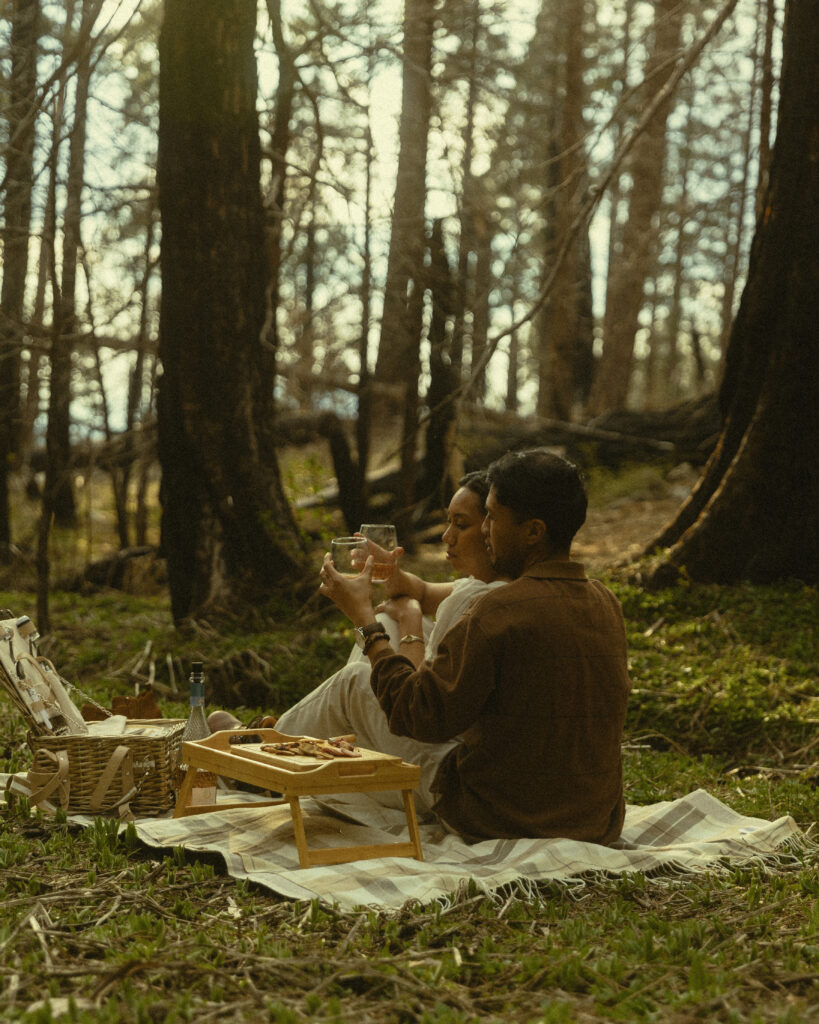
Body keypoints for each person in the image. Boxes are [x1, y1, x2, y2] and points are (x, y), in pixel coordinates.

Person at [319, 449, 631, 845]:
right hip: (594, 819)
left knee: (355, 680)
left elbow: (416, 715)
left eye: (493, 519)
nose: (485, 530)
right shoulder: (605, 601)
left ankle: (260, 755)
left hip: (498, 816)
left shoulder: (498, 610)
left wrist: (367, 624)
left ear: (533, 532)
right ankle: (272, 747)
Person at [208, 472, 507, 810]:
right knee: (387, 623)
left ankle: (260, 762)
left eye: (461, 525)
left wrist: (398, 620)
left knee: (355, 678)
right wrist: (391, 573)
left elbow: (412, 704)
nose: (446, 535)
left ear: (493, 529)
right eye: (448, 521)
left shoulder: (479, 605)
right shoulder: (489, 587)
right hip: (449, 751)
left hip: (446, 775)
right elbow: (422, 592)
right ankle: (318, 742)